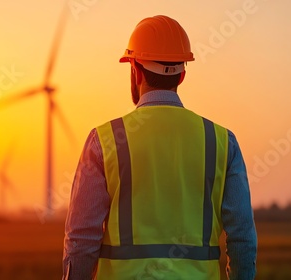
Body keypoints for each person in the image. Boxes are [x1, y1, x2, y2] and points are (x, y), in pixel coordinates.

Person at [63, 15, 257, 280]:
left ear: (135, 70)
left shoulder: (104, 140)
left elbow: (82, 240)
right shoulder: (221, 141)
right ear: (183, 75)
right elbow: (243, 238)